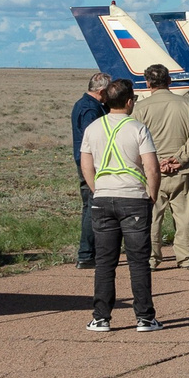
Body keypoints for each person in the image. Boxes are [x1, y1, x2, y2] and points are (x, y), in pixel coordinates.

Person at [81, 78, 162, 332]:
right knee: (138, 261)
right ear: (129, 102)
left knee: (105, 262)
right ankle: (145, 318)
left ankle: (101, 318)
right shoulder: (138, 128)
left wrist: (98, 190)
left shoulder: (93, 128)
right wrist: (152, 194)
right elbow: (151, 166)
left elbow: (86, 164)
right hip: (134, 199)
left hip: (103, 198)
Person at [134, 64, 189, 267]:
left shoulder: (140, 109)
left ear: (148, 83)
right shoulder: (187, 105)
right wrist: (180, 158)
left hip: (150, 173)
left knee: (151, 217)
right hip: (183, 170)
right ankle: (185, 258)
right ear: (169, 81)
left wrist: (157, 163)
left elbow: (133, 140)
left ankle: (151, 259)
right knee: (184, 216)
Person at [70, 72, 109, 270]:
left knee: (90, 206)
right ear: (101, 91)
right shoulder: (89, 109)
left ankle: (89, 253)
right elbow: (93, 138)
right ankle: (86, 254)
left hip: (86, 161)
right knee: (92, 206)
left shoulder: (85, 105)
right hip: (90, 163)